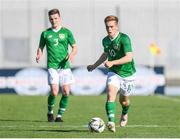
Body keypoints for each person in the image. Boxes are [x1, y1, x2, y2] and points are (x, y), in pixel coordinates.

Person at [87, 15, 136, 132]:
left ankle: (125, 113)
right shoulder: (105, 40)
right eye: (107, 27)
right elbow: (105, 54)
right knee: (110, 93)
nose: (109, 29)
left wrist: (112, 62)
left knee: (124, 101)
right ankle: (111, 122)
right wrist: (94, 65)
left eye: (111, 26)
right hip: (114, 73)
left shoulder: (124, 38)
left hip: (128, 74)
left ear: (116, 26)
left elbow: (129, 57)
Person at [36, 8, 77, 122]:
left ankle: (59, 116)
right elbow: (40, 47)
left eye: (55, 18)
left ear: (60, 18)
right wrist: (39, 54)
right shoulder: (45, 33)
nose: (53, 21)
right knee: (54, 91)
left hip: (64, 66)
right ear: (49, 19)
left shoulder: (67, 32)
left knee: (66, 92)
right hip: (52, 66)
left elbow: (74, 47)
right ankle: (50, 112)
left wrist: (72, 54)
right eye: (51, 19)